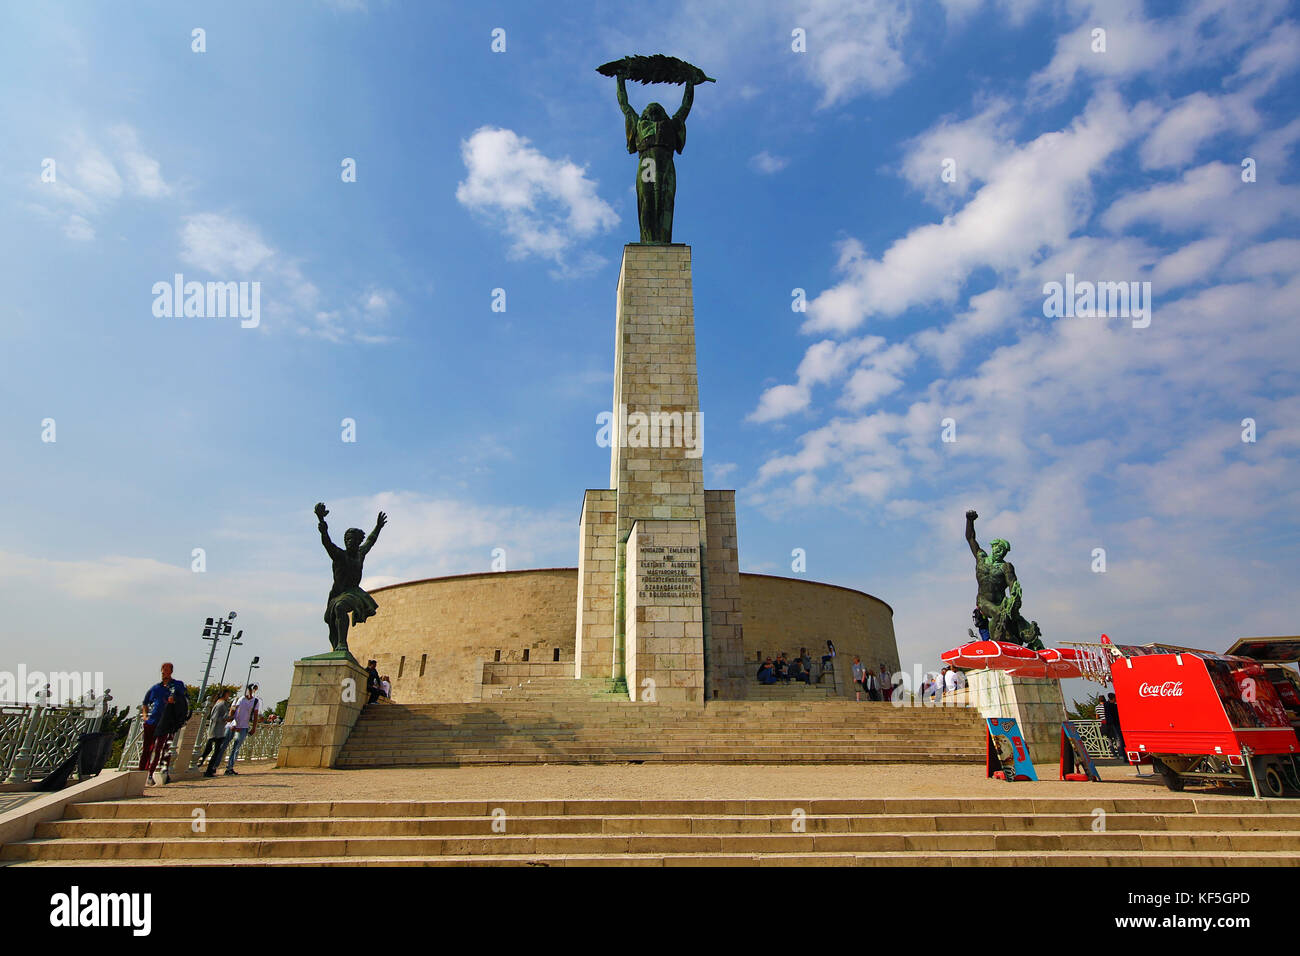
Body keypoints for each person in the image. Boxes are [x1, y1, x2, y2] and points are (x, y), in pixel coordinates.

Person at [138, 662, 187, 786]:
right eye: (164, 669)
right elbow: (145, 703)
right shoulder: (155, 688)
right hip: (153, 721)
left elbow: (184, 698)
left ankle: (152, 774)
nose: (165, 672)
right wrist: (145, 717)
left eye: (168, 669)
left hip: (167, 722)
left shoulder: (177, 685)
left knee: (161, 748)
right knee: (147, 749)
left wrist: (174, 700)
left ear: (171, 671)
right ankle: (140, 773)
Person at [224, 683, 261, 775]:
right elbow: (232, 711)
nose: (253, 692)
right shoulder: (239, 699)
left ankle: (229, 768)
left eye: (255, 690)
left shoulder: (255, 701)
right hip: (233, 725)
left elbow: (255, 715)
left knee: (236, 748)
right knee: (223, 745)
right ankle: (213, 766)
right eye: (252, 689)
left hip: (244, 727)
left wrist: (254, 727)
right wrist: (234, 723)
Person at [196, 690, 232, 766]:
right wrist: (226, 719)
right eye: (228, 694)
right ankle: (209, 768)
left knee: (209, 749)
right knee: (215, 751)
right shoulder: (222, 704)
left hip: (215, 730)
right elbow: (215, 717)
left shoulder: (219, 703)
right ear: (225, 695)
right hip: (217, 731)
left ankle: (201, 763)